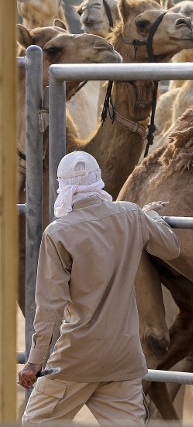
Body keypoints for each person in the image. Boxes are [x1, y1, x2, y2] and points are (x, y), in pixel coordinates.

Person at [18, 151, 179, 424]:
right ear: (97, 180)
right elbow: (171, 248)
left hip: (75, 360)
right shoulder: (131, 214)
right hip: (123, 360)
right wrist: (150, 217)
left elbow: (50, 305)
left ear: (64, 186)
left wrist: (35, 360)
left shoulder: (58, 233)